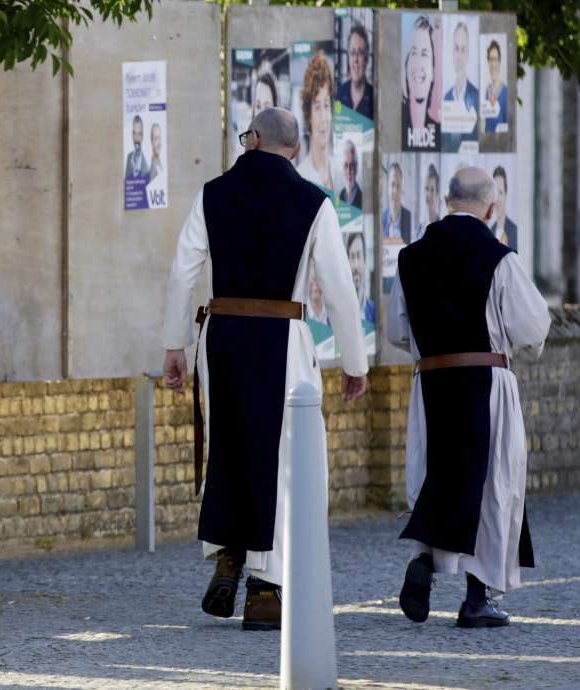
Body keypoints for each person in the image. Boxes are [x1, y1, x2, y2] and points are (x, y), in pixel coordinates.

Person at [161, 107, 369, 632]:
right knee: (282, 460)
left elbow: (182, 269)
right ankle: (264, 588)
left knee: (227, 447)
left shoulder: (212, 193)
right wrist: (354, 361)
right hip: (284, 338)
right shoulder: (313, 203)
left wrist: (175, 344)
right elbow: (340, 291)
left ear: (253, 140)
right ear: (294, 149)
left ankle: (228, 551)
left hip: (223, 336)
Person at [388, 166, 550, 629]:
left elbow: (399, 330)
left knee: (438, 475)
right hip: (486, 379)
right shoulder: (498, 257)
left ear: (446, 201)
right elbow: (532, 326)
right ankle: (478, 597)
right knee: (492, 483)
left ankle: (425, 560)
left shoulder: (410, 258)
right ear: (492, 207)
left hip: (432, 382)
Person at [296, 52, 341, 193]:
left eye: (326, 105)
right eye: (317, 107)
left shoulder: (340, 171)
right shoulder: (300, 178)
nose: (323, 118)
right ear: (309, 115)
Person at [401, 15, 439, 151]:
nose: (418, 63)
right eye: (413, 53)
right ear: (406, 66)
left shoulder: (439, 135)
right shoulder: (395, 127)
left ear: (433, 72)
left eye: (424, 54)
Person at [442, 20, 479, 150]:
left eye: (463, 49)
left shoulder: (477, 97)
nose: (459, 55)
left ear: (468, 54)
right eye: (456, 48)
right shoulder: (445, 98)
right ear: (452, 53)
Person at [336, 22, 373, 120]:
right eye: (352, 53)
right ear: (348, 57)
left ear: (366, 59)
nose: (356, 60)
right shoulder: (339, 94)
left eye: (360, 53)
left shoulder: (374, 97)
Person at [346, 231, 375, 324]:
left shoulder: (374, 312)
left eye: (359, 255)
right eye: (352, 257)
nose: (355, 265)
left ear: (365, 260)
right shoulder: (340, 310)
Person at [381, 162, 412, 243]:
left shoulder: (409, 219)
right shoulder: (380, 221)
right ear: (387, 188)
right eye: (392, 185)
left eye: (398, 186)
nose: (395, 191)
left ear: (402, 189)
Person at [483, 39, 508, 133]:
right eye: (490, 59)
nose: (493, 64)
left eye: (495, 59)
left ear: (499, 62)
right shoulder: (487, 91)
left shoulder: (505, 92)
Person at [490, 165, 518, 248]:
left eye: (500, 193)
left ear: (506, 195)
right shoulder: (489, 233)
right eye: (495, 193)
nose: (498, 199)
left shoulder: (515, 232)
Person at [417, 163, 441, 240]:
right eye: (426, 189)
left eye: (432, 190)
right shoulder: (419, 230)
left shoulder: (443, 228)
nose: (428, 194)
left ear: (437, 194)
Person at [339, 139, 362, 210]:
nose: (348, 171)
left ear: (356, 167)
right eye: (346, 165)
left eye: (351, 165)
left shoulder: (363, 199)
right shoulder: (339, 197)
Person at [125, 115, 149, 180]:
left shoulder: (147, 159)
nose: (136, 138)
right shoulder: (129, 157)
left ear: (142, 135)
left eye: (139, 134)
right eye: (134, 133)